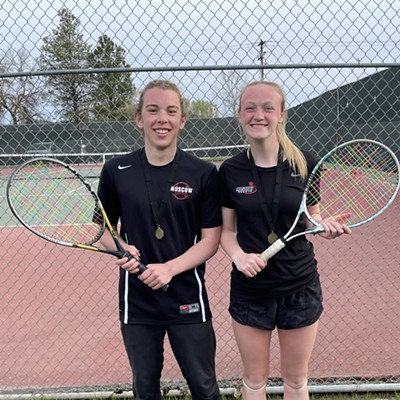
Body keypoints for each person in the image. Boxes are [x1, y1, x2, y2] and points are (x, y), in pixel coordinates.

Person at [218, 80, 351, 400]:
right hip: (251, 290)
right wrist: (238, 256)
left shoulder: (305, 161)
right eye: (250, 107)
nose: (258, 114)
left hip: (299, 286)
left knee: (295, 381)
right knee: (254, 380)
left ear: (281, 114)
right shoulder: (230, 171)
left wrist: (324, 226)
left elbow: (310, 217)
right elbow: (226, 231)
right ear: (239, 115)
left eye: (268, 108)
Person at [97, 79, 222, 400]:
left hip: (187, 295)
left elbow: (210, 241)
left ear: (182, 120)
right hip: (136, 301)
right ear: (139, 118)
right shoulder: (115, 170)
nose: (161, 119)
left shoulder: (204, 173)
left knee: (205, 387)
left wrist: (168, 269)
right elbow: (102, 233)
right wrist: (120, 247)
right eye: (152, 110)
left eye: (170, 111)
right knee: (145, 388)